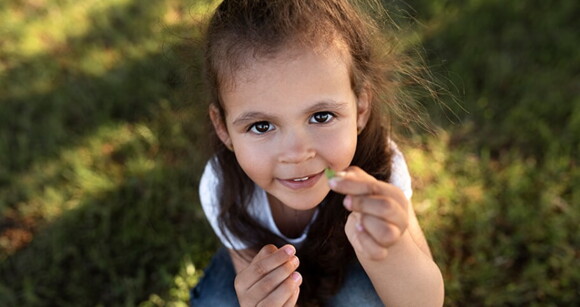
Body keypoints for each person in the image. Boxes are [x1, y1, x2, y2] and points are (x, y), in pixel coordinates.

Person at [190, 0, 444, 306]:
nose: (297, 154)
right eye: (261, 126)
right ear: (223, 128)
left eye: (321, 116)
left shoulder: (380, 173)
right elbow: (251, 275)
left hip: (350, 263)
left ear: (360, 108)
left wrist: (393, 249)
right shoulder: (224, 187)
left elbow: (426, 301)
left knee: (360, 299)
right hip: (278, 272)